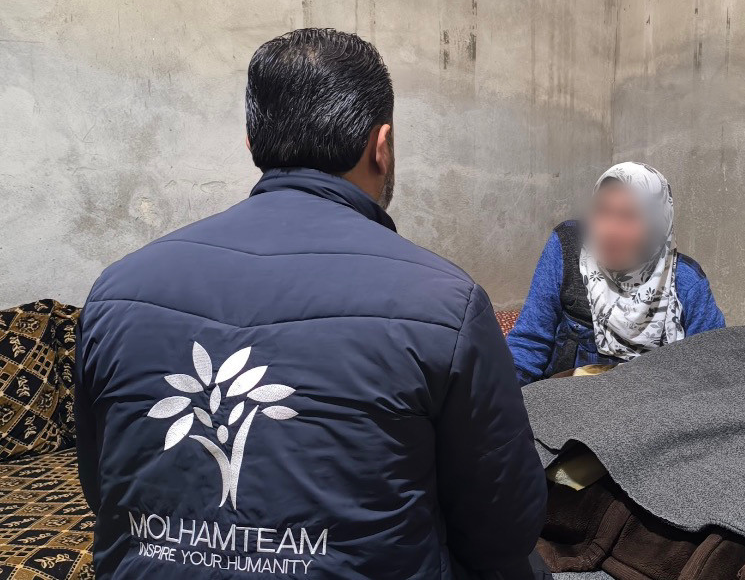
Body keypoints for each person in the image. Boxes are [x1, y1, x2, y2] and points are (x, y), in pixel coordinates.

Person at [74, 29, 548, 580]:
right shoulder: (446, 303)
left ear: (252, 142)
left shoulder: (114, 290)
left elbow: (102, 488)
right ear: (382, 146)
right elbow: (503, 527)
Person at [508, 162, 725, 385]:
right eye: (602, 211)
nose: (609, 231)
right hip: (566, 396)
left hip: (650, 402)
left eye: (629, 216)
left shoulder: (686, 283)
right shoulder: (568, 249)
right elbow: (530, 342)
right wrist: (503, 396)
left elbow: (712, 369)